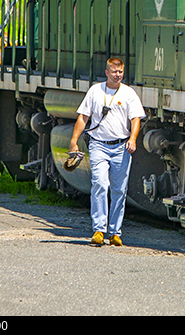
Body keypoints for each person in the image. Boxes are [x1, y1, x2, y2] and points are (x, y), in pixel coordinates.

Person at [68, 57, 145, 246]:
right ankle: (99, 230)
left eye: (120, 72)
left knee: (119, 189)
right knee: (100, 184)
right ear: (107, 72)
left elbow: (136, 119)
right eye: (114, 72)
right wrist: (73, 141)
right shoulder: (95, 91)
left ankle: (115, 233)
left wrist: (133, 138)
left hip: (121, 147)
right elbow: (83, 117)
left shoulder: (129, 93)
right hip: (98, 145)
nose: (117, 75)